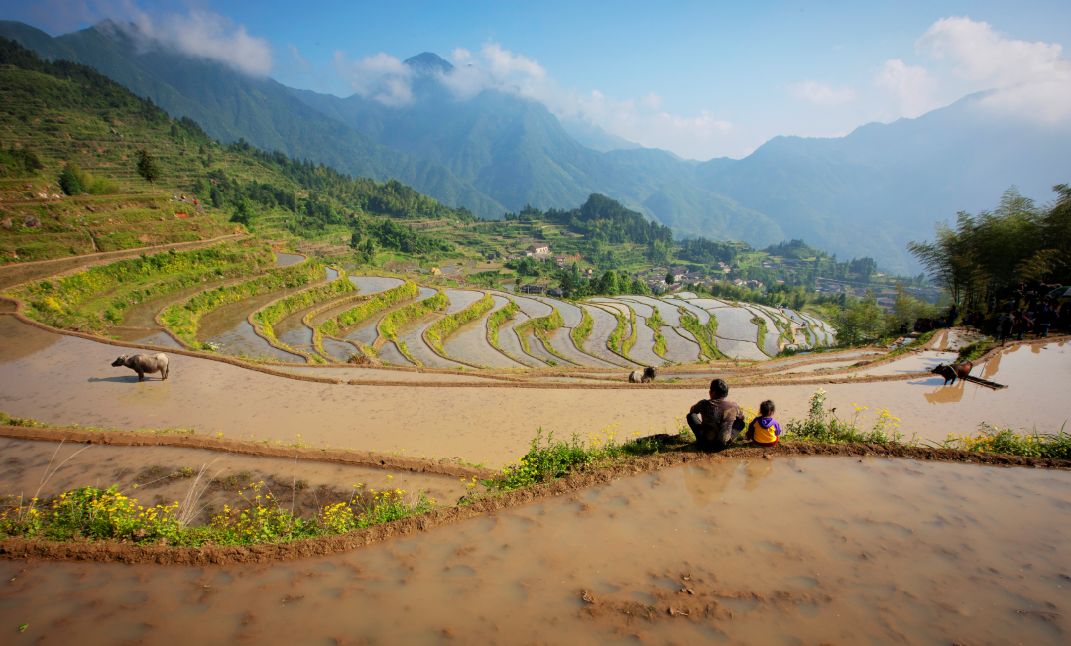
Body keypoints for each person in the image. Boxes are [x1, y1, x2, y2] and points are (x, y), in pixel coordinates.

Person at [687, 379, 744, 451]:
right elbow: (742, 417)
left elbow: (692, 410)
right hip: (723, 445)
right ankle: (727, 439)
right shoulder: (734, 405)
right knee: (741, 422)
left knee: (690, 416)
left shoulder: (703, 403)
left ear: (713, 392)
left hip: (705, 443)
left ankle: (701, 438)